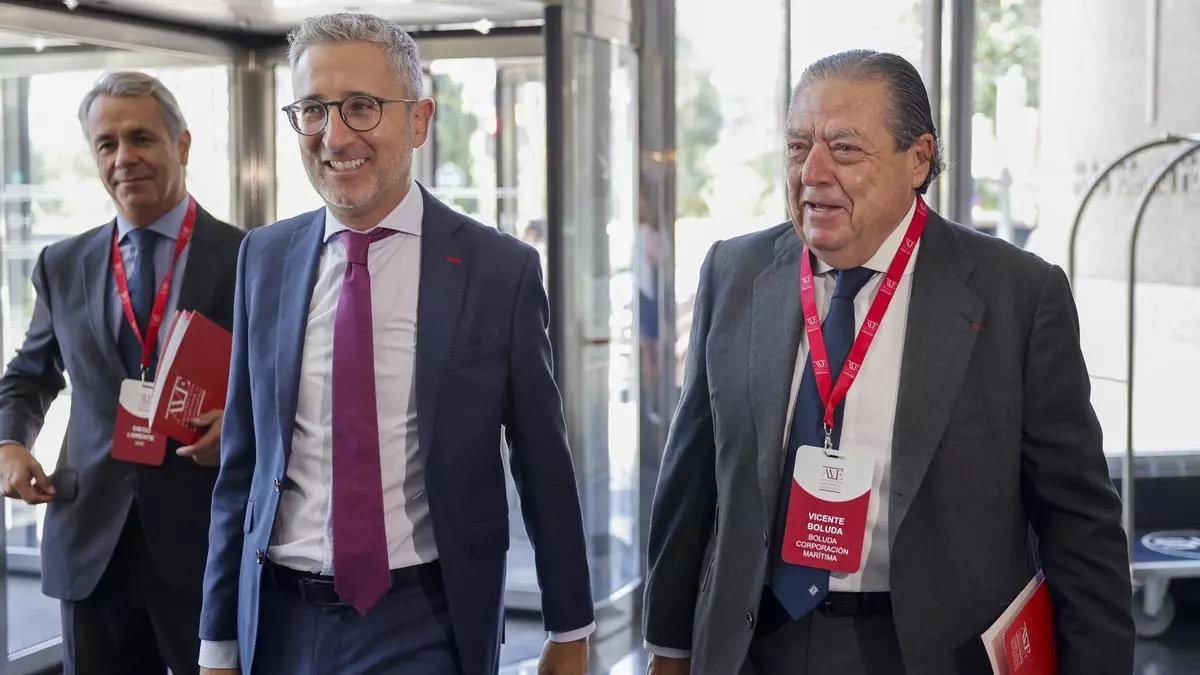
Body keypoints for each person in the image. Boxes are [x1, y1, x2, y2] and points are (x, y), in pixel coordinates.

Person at [643, 49, 1133, 674]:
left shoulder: (1017, 295)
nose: (812, 172)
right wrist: (668, 650)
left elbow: (1077, 518)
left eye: (845, 149)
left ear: (919, 159)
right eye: (798, 146)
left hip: (931, 650)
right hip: (755, 643)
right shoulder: (733, 273)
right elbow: (692, 483)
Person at [198, 13, 594, 675]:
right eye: (314, 110)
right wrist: (216, 643)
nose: (334, 135)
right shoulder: (261, 259)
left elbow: (542, 461)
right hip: (277, 619)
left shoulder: (499, 271)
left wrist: (570, 625)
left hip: (423, 617)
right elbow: (239, 468)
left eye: (361, 107)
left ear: (418, 120)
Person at [0, 71, 243, 675]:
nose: (123, 158)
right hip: (90, 544)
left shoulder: (251, 256)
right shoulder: (64, 262)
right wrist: (9, 442)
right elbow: (31, 374)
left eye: (141, 138)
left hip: (205, 541)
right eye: (106, 144)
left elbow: (286, 383)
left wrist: (240, 426)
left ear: (181, 145)